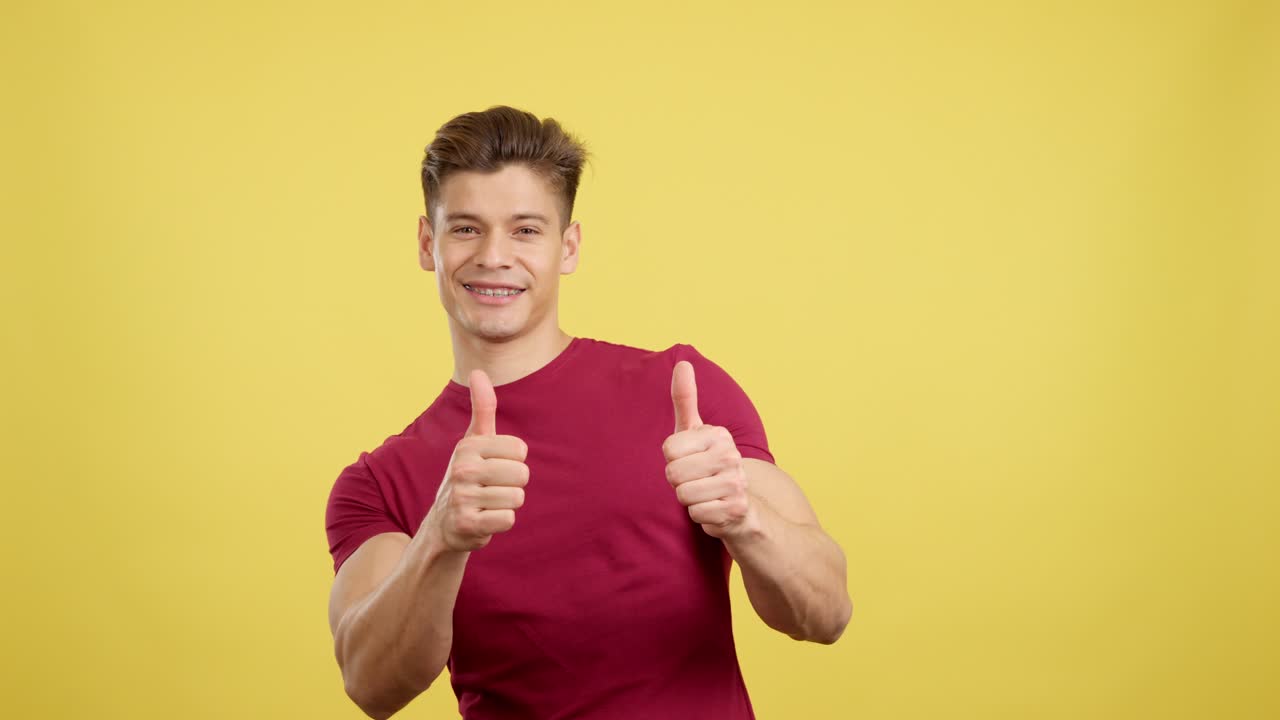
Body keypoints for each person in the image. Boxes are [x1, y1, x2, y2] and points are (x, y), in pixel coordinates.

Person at [324, 105, 852, 720]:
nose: (494, 255)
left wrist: (745, 520)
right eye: (466, 228)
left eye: (526, 230)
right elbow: (370, 684)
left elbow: (827, 612)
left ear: (567, 247)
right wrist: (439, 538)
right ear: (427, 244)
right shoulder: (378, 483)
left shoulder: (682, 390)